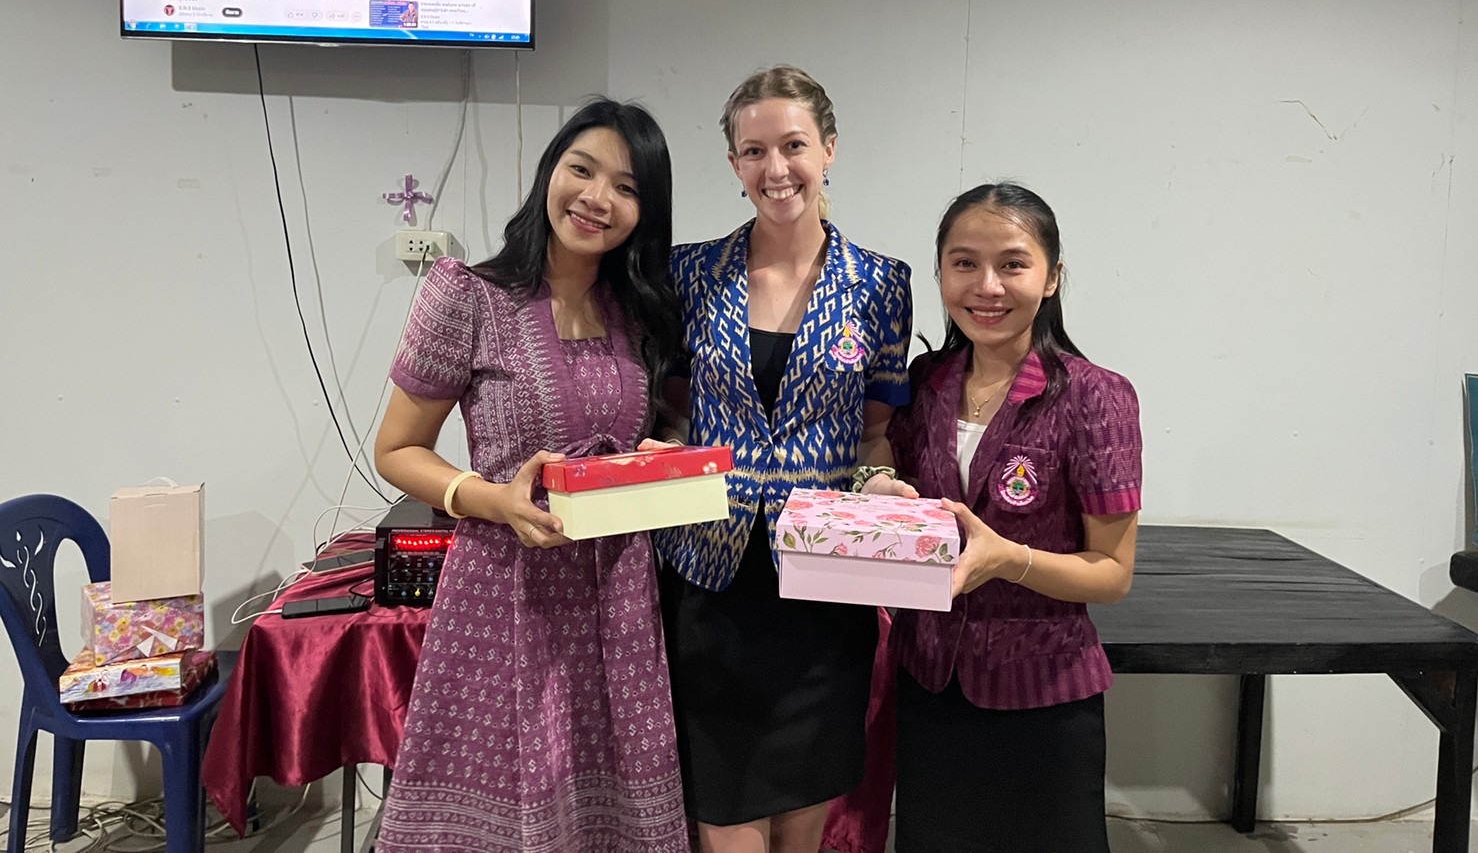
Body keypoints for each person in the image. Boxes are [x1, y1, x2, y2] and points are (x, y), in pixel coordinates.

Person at [372, 99, 689, 853]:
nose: (597, 198)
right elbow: (397, 450)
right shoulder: (467, 294)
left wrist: (664, 450)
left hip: (618, 596)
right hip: (503, 595)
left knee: (612, 811)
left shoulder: (642, 310)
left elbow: (669, 424)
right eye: (582, 170)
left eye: (626, 187)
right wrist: (490, 499)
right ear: (551, 171)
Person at [654, 66, 913, 853]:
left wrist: (879, 484)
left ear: (829, 149)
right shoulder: (688, 274)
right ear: (733, 163)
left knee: (803, 821)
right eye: (754, 150)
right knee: (724, 818)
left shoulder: (880, 285)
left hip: (822, 593)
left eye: (794, 145)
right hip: (709, 580)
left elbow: (872, 435)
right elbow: (672, 412)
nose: (776, 168)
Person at [886, 183, 1142, 853]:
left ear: (1052, 276)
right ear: (941, 272)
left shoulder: (1095, 397)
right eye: (964, 263)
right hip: (928, 683)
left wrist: (1010, 560)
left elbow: (1112, 574)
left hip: (1044, 696)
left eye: (1013, 264)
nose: (987, 286)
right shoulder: (924, 384)